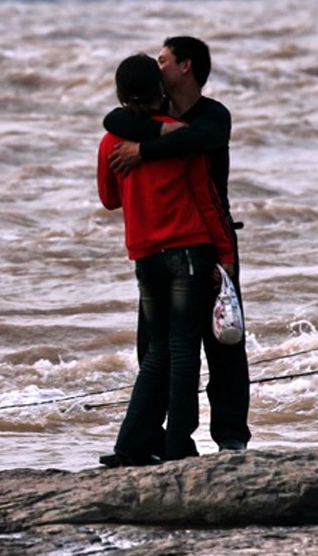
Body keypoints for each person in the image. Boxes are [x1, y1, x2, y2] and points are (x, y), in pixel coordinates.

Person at [103, 37, 251, 452]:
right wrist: (150, 136)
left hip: (213, 236)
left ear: (185, 66)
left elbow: (192, 141)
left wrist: (144, 151)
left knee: (225, 341)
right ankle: (155, 436)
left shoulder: (213, 115)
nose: (157, 63)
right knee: (155, 346)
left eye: (163, 58)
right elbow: (113, 119)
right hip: (170, 246)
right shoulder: (154, 111)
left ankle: (231, 438)